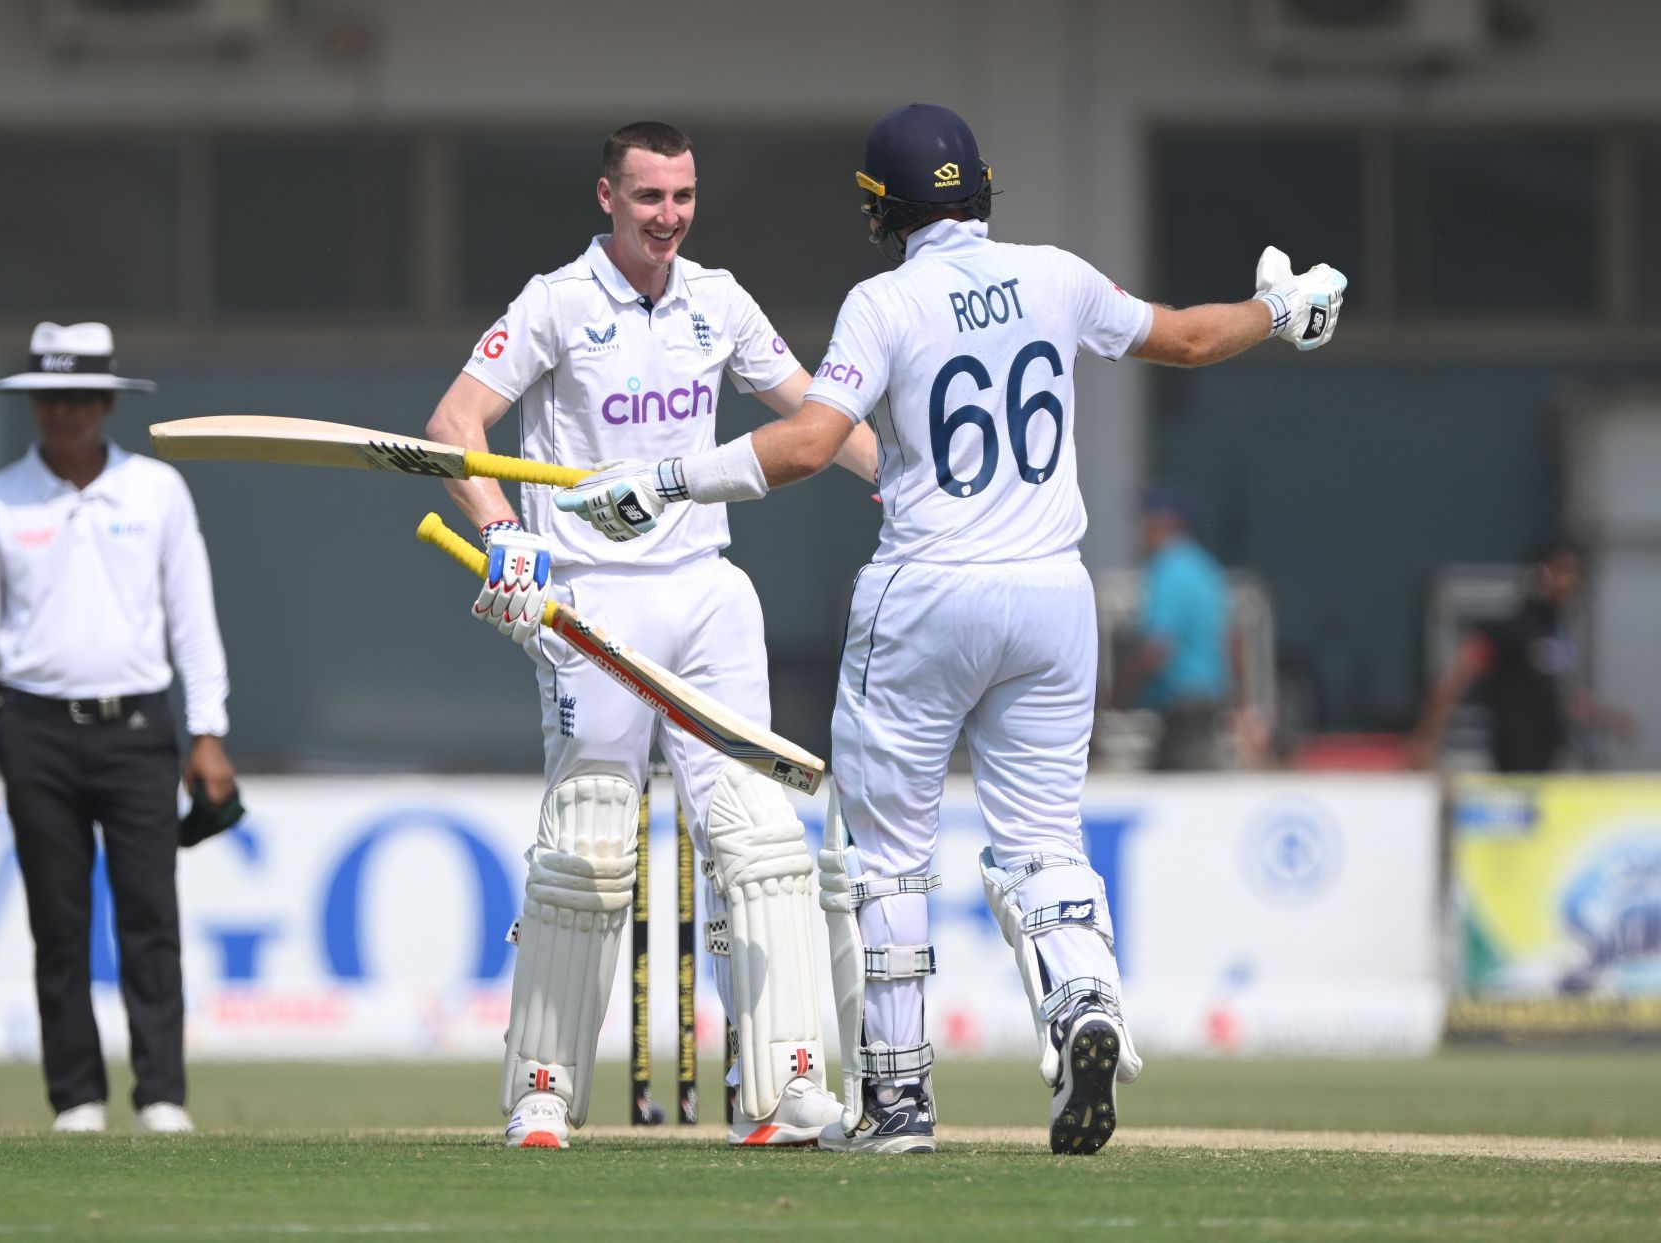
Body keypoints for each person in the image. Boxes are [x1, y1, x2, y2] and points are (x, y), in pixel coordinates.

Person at [554, 103, 1347, 1154]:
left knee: (886, 857)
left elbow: (805, 446)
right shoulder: (1057, 274)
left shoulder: (885, 303)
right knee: (1044, 845)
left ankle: (898, 1103)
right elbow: (1195, 337)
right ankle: (1083, 1003)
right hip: (1053, 597)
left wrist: (665, 480)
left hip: (929, 592)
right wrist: (1279, 308)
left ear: (881, 209)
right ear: (982, 190)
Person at [424, 121, 877, 1149]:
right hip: (592, 597)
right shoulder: (556, 303)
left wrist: (905, 481)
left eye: (682, 197)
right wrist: (504, 537)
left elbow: (815, 413)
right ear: (607, 197)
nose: (667, 216)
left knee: (759, 839)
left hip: (707, 585)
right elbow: (456, 423)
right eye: (648, 198)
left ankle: (789, 1086)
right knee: (589, 841)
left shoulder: (718, 299)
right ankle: (541, 1091)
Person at [0, 322, 236, 1135]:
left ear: (106, 401)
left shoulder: (155, 492)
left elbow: (193, 616)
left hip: (138, 726)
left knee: (150, 913)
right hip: (32, 731)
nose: (62, 412)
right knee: (57, 919)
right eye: (48, 398)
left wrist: (207, 731)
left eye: (77, 397)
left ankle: (161, 1095)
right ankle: (75, 1095)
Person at [1409, 542, 1636, 772]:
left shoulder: (1556, 635)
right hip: (1514, 761)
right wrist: (1428, 738)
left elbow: (1559, 695)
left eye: (1575, 574)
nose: (1570, 582)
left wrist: (1608, 719)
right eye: (1563, 572)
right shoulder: (1510, 628)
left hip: (1549, 761)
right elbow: (1456, 679)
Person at [1111, 486, 1235, 770]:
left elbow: (1156, 649)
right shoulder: (1206, 567)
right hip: (1208, 708)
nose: (1140, 530)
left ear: (1166, 522)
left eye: (1146, 520)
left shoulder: (1169, 569)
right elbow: (1230, 640)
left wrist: (1114, 695)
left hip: (1184, 714)